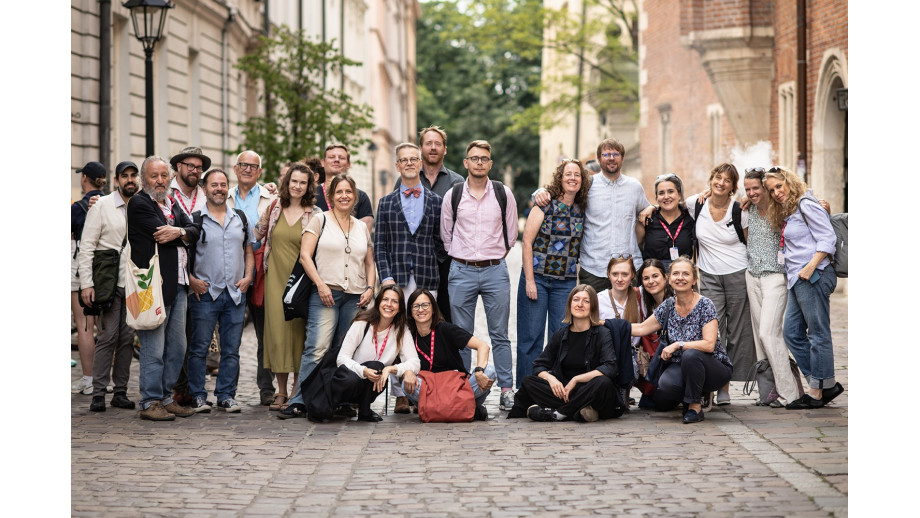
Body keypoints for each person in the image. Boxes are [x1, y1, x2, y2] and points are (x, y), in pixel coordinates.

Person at [280, 173, 377, 418]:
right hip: (325, 294)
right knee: (317, 347)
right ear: (331, 196)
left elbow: (369, 262)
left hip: (354, 297)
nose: (344, 196)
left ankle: (335, 399)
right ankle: (300, 399)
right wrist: (321, 285)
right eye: (339, 192)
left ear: (354, 196)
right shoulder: (319, 220)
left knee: (343, 350)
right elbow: (305, 256)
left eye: (348, 192)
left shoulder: (360, 227)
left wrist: (370, 288)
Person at [440, 140, 518, 411]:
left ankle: (507, 389)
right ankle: (463, 388)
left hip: (495, 270)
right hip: (461, 270)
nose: (480, 163)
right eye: (474, 158)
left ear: (490, 163)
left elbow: (511, 235)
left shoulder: (502, 193)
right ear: (466, 163)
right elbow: (446, 234)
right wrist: (462, 257)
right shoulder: (454, 194)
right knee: (462, 335)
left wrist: (492, 257)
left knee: (500, 334)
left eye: (484, 158)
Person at [762, 167, 844, 409]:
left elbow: (827, 238)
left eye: (779, 186)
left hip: (814, 275)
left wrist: (811, 266)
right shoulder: (789, 209)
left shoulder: (806, 203)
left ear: (789, 182)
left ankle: (817, 391)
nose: (776, 192)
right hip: (797, 278)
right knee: (792, 333)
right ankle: (822, 385)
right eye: (772, 190)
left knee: (818, 334)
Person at [127, 156, 201, 421]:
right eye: (153, 176)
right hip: (152, 286)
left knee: (177, 347)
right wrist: (182, 233)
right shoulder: (139, 203)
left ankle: (166, 397)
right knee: (153, 347)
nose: (159, 180)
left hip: (179, 284)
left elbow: (195, 230)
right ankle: (150, 400)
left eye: (163, 175)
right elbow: (160, 234)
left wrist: (179, 232)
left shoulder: (171, 202)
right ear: (143, 179)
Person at [374, 142, 445, 413]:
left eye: (413, 159)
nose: (409, 163)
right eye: (403, 160)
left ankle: (424, 388)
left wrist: (437, 265)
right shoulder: (386, 202)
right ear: (397, 165)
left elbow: (442, 241)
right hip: (397, 279)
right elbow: (379, 244)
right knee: (397, 333)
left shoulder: (436, 202)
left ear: (420, 162)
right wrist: (386, 279)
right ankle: (401, 392)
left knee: (426, 333)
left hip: (427, 277)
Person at [533, 138, 650, 290]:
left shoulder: (634, 187)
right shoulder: (587, 185)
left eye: (616, 154)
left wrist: (651, 208)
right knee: (591, 313)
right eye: (606, 154)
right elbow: (560, 193)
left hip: (628, 268)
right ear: (599, 158)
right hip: (594, 268)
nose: (611, 158)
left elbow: (646, 211)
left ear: (622, 157)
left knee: (629, 314)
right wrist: (539, 192)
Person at [630, 258, 733, 423]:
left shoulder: (705, 305)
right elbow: (642, 328)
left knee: (691, 354)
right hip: (681, 366)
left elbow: (709, 345)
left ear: (694, 280)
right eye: (676, 274)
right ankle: (691, 394)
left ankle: (694, 407)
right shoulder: (668, 306)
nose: (680, 277)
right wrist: (604, 323)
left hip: (714, 368)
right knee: (665, 387)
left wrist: (678, 344)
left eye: (686, 274)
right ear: (669, 279)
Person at [186, 169, 255, 413]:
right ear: (204, 189)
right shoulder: (194, 219)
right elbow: (184, 255)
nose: (219, 188)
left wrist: (248, 277)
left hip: (235, 293)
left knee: (231, 349)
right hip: (205, 293)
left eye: (223, 184)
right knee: (198, 348)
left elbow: (248, 251)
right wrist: (192, 279)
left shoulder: (241, 218)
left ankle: (226, 395)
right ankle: (197, 396)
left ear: (228, 188)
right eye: (214, 184)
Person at [684, 163, 754, 405]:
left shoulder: (740, 210)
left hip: (737, 273)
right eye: (717, 177)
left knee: (738, 331)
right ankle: (712, 387)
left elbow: (749, 242)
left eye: (726, 180)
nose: (720, 183)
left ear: (733, 187)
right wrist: (647, 210)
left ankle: (727, 385)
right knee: (713, 332)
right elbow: (668, 207)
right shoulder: (695, 204)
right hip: (709, 275)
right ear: (710, 179)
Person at [517, 159, 588, 389]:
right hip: (536, 278)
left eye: (577, 175)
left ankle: (555, 388)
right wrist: (529, 280)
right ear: (560, 177)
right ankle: (527, 390)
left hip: (565, 283)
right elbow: (526, 242)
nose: (572, 178)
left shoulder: (581, 209)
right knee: (531, 338)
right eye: (568, 174)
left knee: (561, 338)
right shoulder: (544, 204)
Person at [253, 162, 320, 411]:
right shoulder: (274, 207)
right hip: (274, 279)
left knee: (298, 334)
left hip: (300, 282)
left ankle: (295, 390)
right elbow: (256, 233)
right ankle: (280, 391)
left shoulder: (314, 213)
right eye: (294, 181)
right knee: (277, 334)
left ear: (308, 186)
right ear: (287, 183)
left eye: (303, 182)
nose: (298, 186)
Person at [507, 284, 622, 422]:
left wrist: (576, 379)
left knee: (603, 383)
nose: (580, 304)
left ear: (592, 306)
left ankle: (559, 413)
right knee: (528, 381)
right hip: (564, 392)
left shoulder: (602, 333)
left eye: (586, 301)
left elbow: (610, 367)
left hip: (589, 389)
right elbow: (539, 365)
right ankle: (580, 410)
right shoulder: (561, 334)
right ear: (569, 304)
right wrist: (552, 380)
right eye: (576, 300)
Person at [78, 160, 139, 411]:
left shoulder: (143, 206)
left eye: (134, 175)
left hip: (134, 284)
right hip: (108, 281)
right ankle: (99, 392)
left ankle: (121, 392)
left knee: (127, 338)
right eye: (124, 176)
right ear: (116, 181)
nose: (129, 180)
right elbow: (87, 247)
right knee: (107, 336)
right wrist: (86, 284)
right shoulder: (101, 205)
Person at [742, 167, 802, 406]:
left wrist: (823, 204)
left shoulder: (783, 208)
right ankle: (768, 392)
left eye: (756, 188)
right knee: (760, 338)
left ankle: (790, 393)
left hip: (776, 277)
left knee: (770, 333)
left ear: (765, 188)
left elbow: (803, 204)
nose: (751, 192)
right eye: (747, 189)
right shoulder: (748, 210)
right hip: (752, 275)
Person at [227, 150, 279, 407]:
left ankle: (266, 388)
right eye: (243, 165)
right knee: (231, 335)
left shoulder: (273, 197)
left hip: (263, 272)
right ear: (235, 169)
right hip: (230, 270)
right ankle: (227, 391)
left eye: (253, 166)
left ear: (259, 172)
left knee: (264, 334)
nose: (247, 169)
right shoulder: (221, 196)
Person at [327, 286, 420, 422]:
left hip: (370, 383)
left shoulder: (401, 330)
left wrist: (392, 369)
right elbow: (341, 359)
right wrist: (363, 370)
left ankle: (365, 410)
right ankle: (335, 405)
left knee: (378, 367)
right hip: (345, 380)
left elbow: (415, 362)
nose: (389, 304)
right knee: (322, 411)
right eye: (385, 299)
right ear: (378, 303)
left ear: (400, 308)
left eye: (394, 301)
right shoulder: (363, 323)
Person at [401, 288, 495, 419]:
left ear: (433, 309)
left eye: (425, 305)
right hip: (429, 390)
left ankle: (438, 409)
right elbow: (403, 363)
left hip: (457, 388)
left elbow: (483, 346)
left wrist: (479, 371)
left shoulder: (446, 329)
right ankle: (465, 408)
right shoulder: (409, 336)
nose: (420, 309)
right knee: (405, 384)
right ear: (410, 312)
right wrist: (408, 372)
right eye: (416, 306)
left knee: (489, 370)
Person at [412, 126, 465, 323]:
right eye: (428, 143)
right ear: (420, 148)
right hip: (415, 262)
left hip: (448, 263)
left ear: (445, 149)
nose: (433, 148)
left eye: (438, 144)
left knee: (449, 318)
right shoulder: (408, 180)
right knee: (415, 317)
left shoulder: (457, 182)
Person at [71, 161, 107, 395]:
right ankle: (107, 380)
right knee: (107, 327)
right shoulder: (111, 203)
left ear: (85, 178)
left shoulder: (77, 208)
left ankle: (88, 379)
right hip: (106, 269)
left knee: (85, 326)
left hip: (80, 268)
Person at [633, 259, 674, 408]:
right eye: (646, 278)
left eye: (655, 276)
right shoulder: (643, 301)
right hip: (652, 358)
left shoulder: (676, 299)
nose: (651, 281)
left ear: (665, 277)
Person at [637, 173, 695, 271]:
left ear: (679, 195)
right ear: (656, 198)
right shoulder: (647, 219)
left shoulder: (690, 217)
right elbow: (636, 247)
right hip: (653, 278)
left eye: (671, 191)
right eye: (661, 193)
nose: (666, 196)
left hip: (681, 277)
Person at [314, 144, 374, 230]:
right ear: (323, 163)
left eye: (341, 158)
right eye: (332, 157)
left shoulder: (361, 197)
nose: (336, 160)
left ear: (348, 164)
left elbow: (364, 236)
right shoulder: (311, 194)